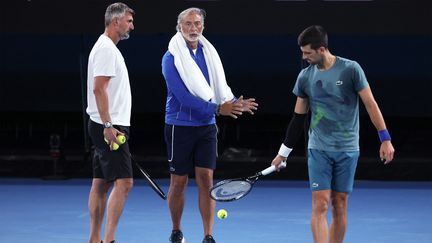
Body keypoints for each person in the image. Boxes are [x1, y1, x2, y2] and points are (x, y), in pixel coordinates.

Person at [271, 25, 395, 243]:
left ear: (321, 49)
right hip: (318, 148)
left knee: (339, 205)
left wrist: (385, 138)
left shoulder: (351, 69)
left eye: (307, 52)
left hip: (348, 149)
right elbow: (298, 118)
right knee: (320, 204)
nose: (304, 57)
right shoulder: (305, 77)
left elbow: (370, 104)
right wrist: (284, 153)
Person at [161, 7, 258, 243]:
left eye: (197, 24)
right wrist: (218, 109)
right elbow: (183, 97)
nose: (193, 28)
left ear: (202, 26)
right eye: (188, 24)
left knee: (206, 180)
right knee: (179, 181)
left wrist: (234, 103)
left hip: (206, 127)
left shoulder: (209, 53)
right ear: (179, 27)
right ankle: (176, 230)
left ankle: (208, 235)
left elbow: (218, 90)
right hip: (179, 126)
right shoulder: (170, 58)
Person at [86, 3, 135, 243]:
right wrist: (108, 126)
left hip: (104, 124)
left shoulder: (106, 47)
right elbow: (98, 89)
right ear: (116, 22)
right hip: (110, 126)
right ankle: (109, 240)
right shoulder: (106, 49)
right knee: (124, 183)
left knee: (101, 183)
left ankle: (95, 239)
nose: (131, 26)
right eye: (128, 21)